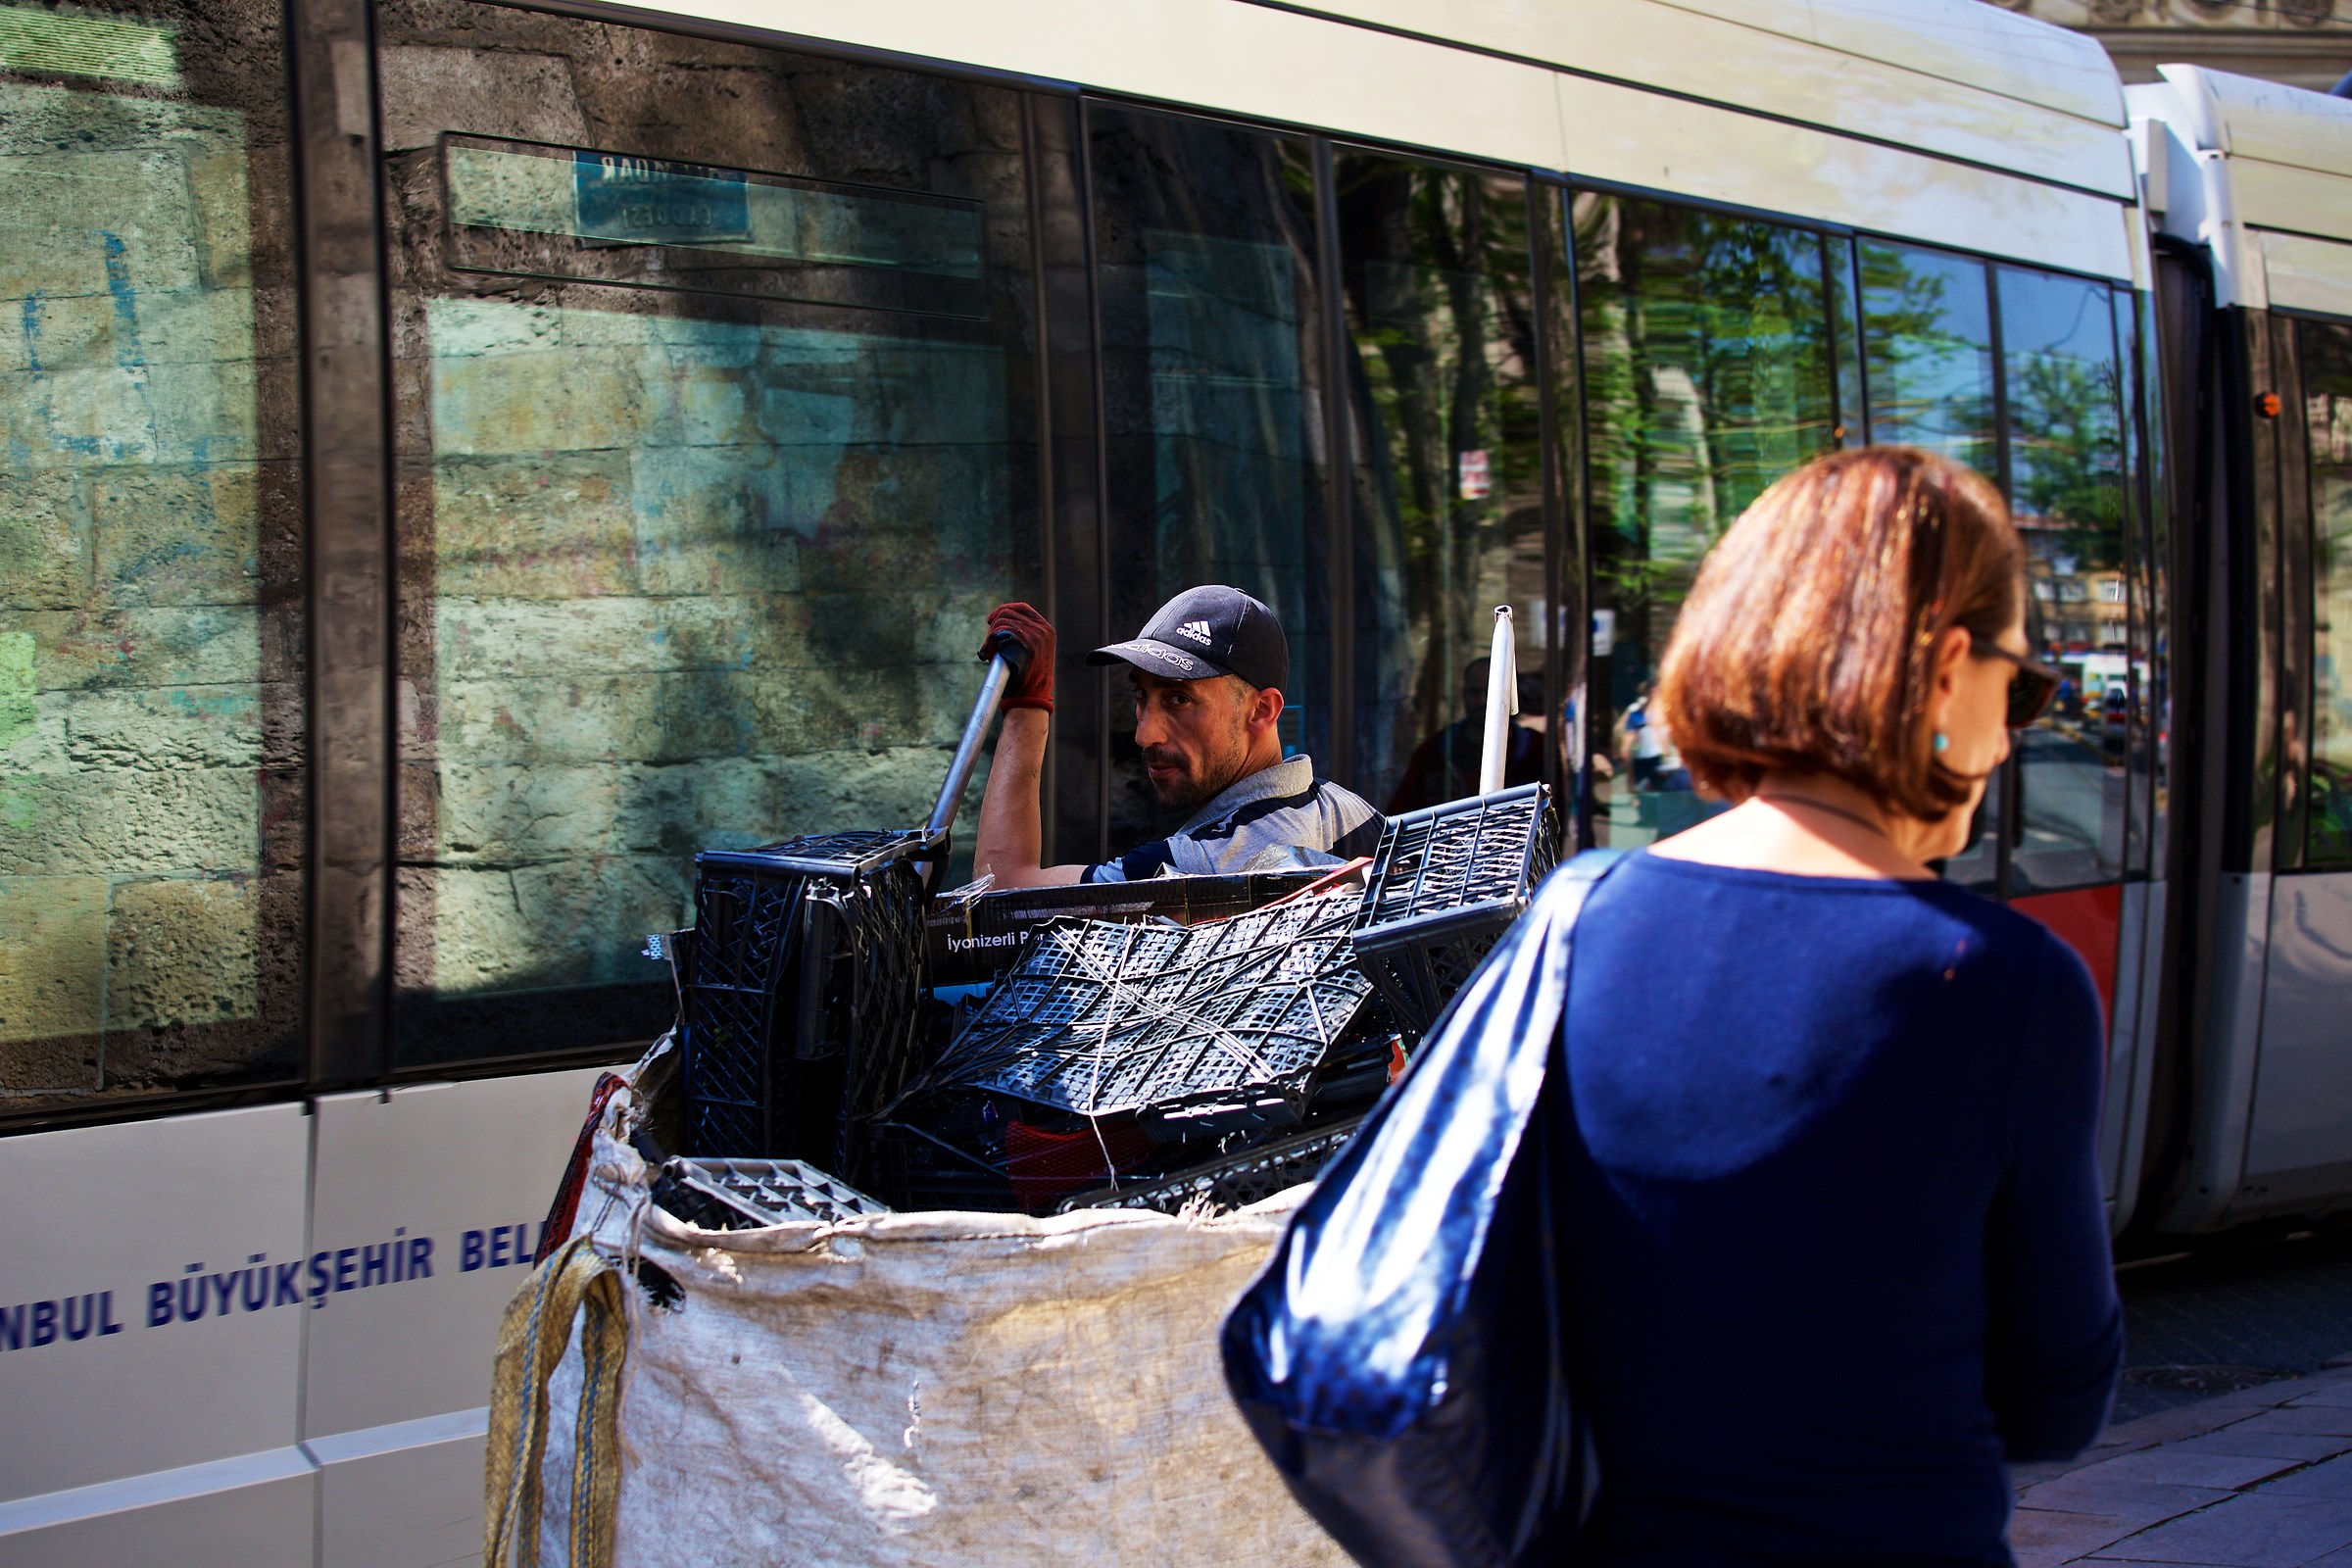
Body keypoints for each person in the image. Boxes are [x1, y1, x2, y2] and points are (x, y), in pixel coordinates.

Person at [1551, 447, 2120, 1564]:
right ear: (1951, 668)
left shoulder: (1576, 919)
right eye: (2022, 684)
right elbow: (2060, 1398)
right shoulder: (2001, 981)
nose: (2012, 736)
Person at [968, 585, 1382, 887]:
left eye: (1180, 699)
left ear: (1261, 711)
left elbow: (999, 891)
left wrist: (1027, 704)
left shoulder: (1198, 865)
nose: (1144, 734)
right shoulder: (1350, 810)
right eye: (1141, 695)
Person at [1386, 657, 1544, 812]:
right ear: (1464, 695)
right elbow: (1401, 814)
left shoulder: (1537, 750)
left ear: (1510, 695)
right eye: (1475, 693)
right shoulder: (1432, 753)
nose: (1482, 701)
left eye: (1491, 692)